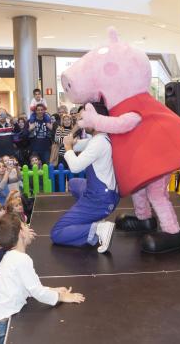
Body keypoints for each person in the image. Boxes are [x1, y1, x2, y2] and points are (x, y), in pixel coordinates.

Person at [0, 215, 85, 343]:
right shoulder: (22, 259)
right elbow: (37, 292)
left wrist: (53, 289)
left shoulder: (9, 256)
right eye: (26, 226)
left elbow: (26, 286)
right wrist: (62, 297)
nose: (29, 228)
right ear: (21, 233)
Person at [50, 102, 119, 253]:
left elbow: (74, 166)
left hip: (100, 200)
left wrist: (68, 148)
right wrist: (72, 144)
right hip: (105, 194)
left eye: (85, 119)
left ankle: (98, 228)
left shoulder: (99, 142)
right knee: (74, 183)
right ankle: (94, 219)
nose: (82, 123)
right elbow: (81, 145)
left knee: (57, 232)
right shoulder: (101, 137)